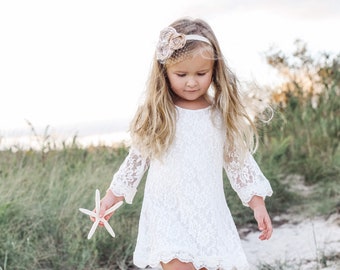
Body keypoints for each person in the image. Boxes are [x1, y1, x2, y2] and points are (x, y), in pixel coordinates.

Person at [92, 17, 273, 270]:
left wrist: (257, 203)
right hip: (166, 212)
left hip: (208, 212)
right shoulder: (160, 114)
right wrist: (110, 199)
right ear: (164, 72)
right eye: (181, 74)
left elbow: (238, 162)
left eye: (201, 73)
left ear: (214, 70)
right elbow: (135, 161)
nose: (191, 82)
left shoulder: (219, 116)